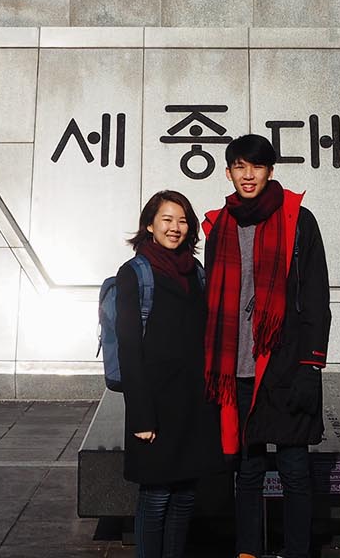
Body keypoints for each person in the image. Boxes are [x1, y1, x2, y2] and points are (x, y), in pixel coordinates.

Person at [202, 135, 331, 558]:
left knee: (294, 469)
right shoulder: (220, 224)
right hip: (237, 368)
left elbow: (315, 296)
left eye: (256, 167)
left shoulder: (298, 220)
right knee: (248, 470)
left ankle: (297, 551)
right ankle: (248, 550)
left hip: (285, 364)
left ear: (270, 171)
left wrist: (311, 366)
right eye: (239, 167)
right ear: (228, 173)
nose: (248, 175)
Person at [115, 190, 223, 558]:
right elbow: (129, 349)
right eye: (167, 219)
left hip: (193, 402)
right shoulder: (135, 274)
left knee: (184, 496)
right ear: (150, 225)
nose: (175, 228)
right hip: (154, 405)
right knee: (157, 495)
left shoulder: (197, 273)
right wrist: (142, 415)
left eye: (182, 221)